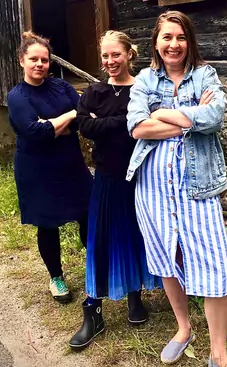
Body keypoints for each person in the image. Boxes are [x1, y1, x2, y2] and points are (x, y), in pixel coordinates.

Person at [126, 10, 227, 367]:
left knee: (217, 262)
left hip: (197, 186)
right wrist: (190, 118)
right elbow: (138, 128)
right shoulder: (143, 79)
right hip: (152, 188)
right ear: (155, 42)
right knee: (167, 256)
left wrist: (164, 112)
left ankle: (218, 353)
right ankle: (183, 327)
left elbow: (215, 117)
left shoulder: (205, 75)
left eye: (181, 37)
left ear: (190, 42)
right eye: (167, 37)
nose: (174, 45)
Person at [68, 30, 163, 350]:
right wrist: (122, 122)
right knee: (101, 240)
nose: (110, 61)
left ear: (129, 54)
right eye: (105, 56)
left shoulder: (144, 89)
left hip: (140, 176)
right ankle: (93, 312)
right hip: (107, 178)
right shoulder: (94, 91)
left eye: (116, 55)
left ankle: (135, 297)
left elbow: (141, 130)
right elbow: (85, 126)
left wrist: (107, 121)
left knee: (136, 236)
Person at [6, 31, 93, 303]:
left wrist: (52, 124)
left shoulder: (63, 88)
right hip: (36, 169)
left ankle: (95, 267)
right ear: (22, 60)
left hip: (70, 163)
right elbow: (35, 132)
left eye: (44, 60)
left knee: (88, 214)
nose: (40, 65)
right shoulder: (17, 96)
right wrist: (66, 116)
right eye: (34, 59)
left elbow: (83, 121)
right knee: (47, 224)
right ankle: (56, 277)